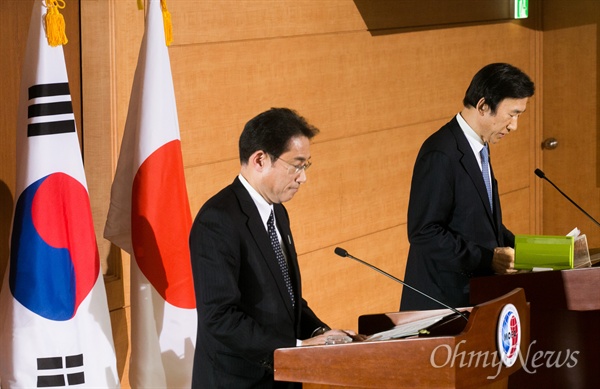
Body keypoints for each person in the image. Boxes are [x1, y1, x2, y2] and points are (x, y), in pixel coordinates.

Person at [190, 107, 355, 388]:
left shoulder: (276, 211)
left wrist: (322, 333)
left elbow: (286, 297)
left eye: (306, 165)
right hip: (238, 381)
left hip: (284, 375)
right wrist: (296, 347)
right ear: (260, 160)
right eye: (297, 165)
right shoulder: (217, 220)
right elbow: (219, 317)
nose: (303, 177)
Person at [400, 63, 535, 312]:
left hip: (477, 295)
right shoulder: (441, 152)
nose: (514, 126)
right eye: (512, 114)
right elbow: (424, 232)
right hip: (445, 303)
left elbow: (479, 222)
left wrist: (532, 252)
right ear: (483, 106)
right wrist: (487, 259)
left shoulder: (478, 147)